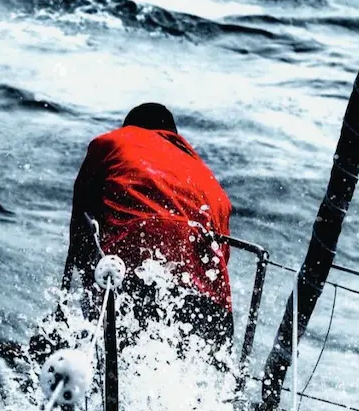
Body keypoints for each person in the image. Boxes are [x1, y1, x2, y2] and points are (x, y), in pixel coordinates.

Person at [58, 102, 236, 371]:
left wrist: (70, 308)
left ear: (130, 127)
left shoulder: (112, 142)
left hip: (133, 283)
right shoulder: (212, 184)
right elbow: (222, 259)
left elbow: (81, 226)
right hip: (212, 312)